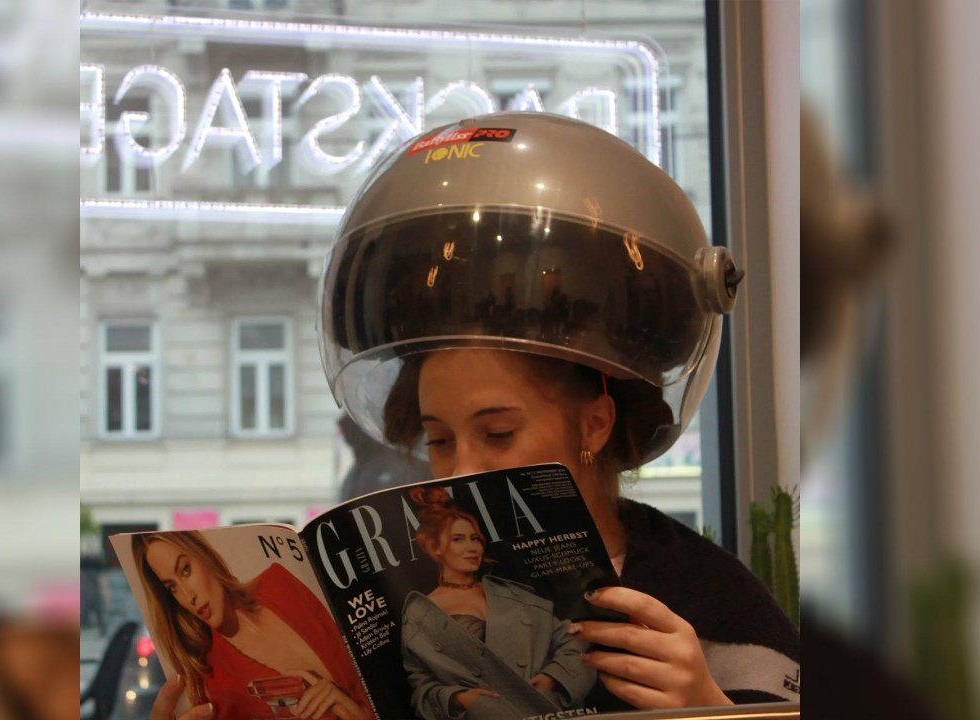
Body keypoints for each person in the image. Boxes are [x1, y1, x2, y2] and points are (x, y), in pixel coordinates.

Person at [318, 111, 799, 711]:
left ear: (595, 422)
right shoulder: (407, 601)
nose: (461, 471)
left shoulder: (708, 602)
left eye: (498, 433)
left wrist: (708, 707)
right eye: (439, 440)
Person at [400, 487, 595, 719]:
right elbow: (420, 683)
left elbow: (572, 640)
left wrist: (553, 678)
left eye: (475, 539)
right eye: (458, 539)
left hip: (546, 709)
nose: (472, 548)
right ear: (436, 548)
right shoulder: (421, 613)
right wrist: (461, 699)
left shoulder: (511, 593)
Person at [135, 531, 374, 720]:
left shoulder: (279, 584)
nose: (188, 596)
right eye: (172, 588)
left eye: (186, 570)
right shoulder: (213, 680)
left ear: (204, 557)